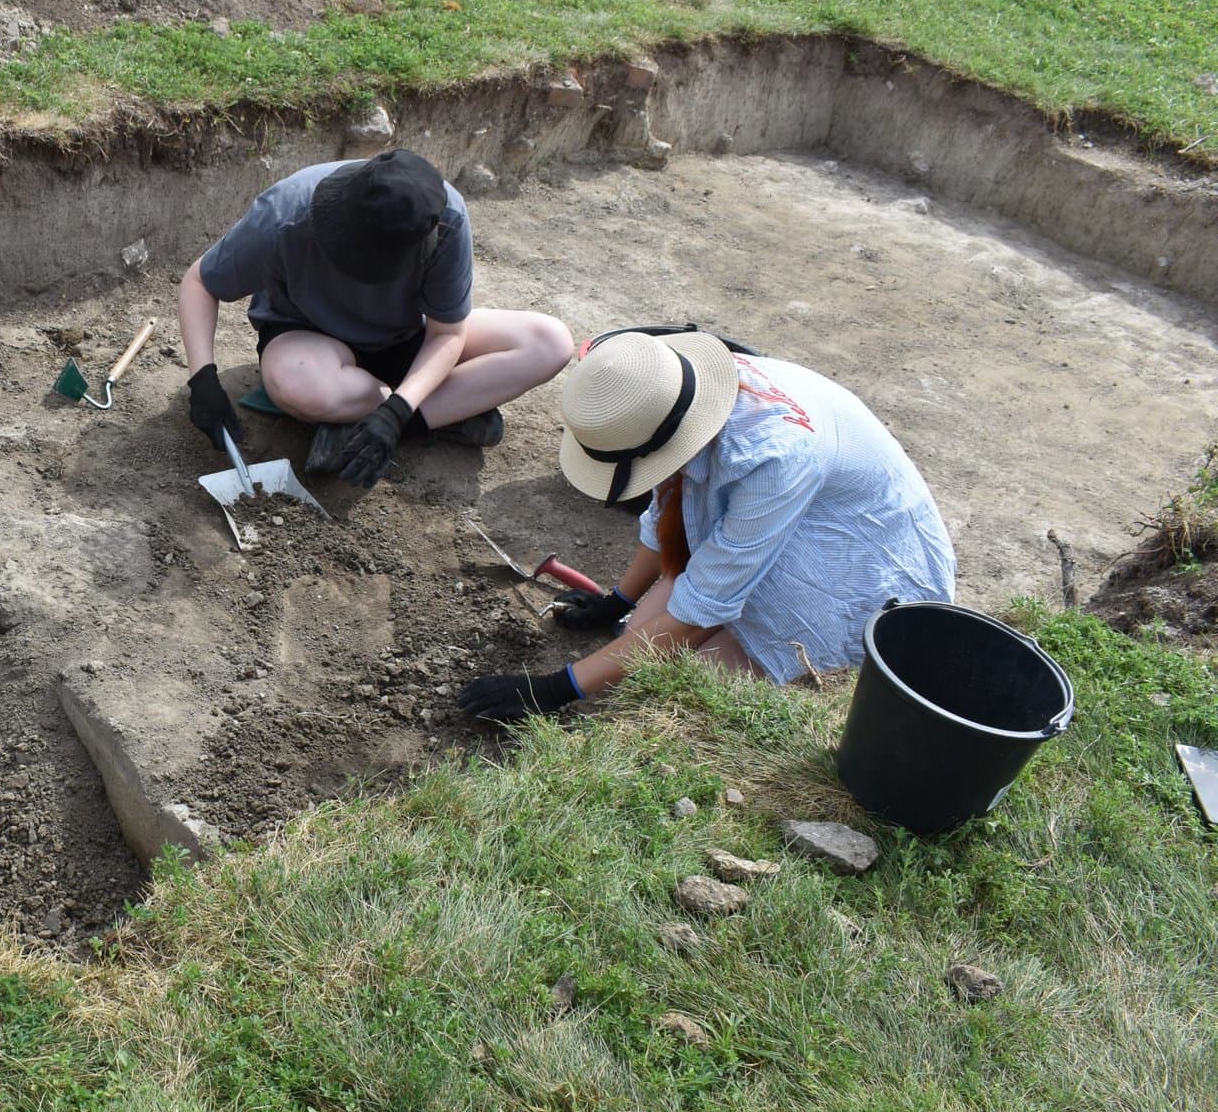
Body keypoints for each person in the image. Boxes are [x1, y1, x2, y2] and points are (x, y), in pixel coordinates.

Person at [458, 329, 955, 721]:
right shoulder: (683, 397)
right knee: (637, 643)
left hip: (865, 563)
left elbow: (699, 613)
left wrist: (554, 689)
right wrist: (619, 600)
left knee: (682, 680)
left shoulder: (770, 459)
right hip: (806, 516)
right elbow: (670, 511)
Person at [179, 149, 573, 488]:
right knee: (294, 384)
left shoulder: (446, 218)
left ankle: (382, 425)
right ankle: (447, 412)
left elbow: (447, 333)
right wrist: (203, 379)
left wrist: (398, 414)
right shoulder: (286, 211)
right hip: (309, 335)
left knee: (550, 343)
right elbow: (200, 281)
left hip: (407, 335)